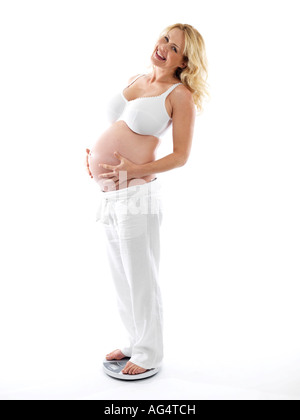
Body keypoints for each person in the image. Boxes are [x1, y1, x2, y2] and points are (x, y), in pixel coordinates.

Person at [86, 23, 209, 376]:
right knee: (121, 273)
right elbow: (120, 127)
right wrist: (95, 156)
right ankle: (131, 342)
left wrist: (135, 166)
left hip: (138, 194)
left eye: (175, 48)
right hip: (112, 195)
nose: (164, 47)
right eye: (165, 39)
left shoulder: (179, 96)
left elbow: (181, 155)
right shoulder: (138, 78)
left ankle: (150, 352)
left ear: (185, 61)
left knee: (141, 274)